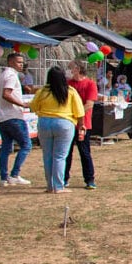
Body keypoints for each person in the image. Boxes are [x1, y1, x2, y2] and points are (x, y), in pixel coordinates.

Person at [29, 65, 85, 193]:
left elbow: (33, 106)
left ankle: (50, 186)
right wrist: (81, 125)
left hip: (44, 122)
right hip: (64, 123)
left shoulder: (43, 91)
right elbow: (79, 111)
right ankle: (59, 186)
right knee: (59, 156)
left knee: (47, 155)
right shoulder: (70, 91)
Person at [0, 52, 33, 187]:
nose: (21, 65)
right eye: (18, 62)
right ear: (11, 62)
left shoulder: (2, 75)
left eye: (22, 62)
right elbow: (6, 94)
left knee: (6, 147)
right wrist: (22, 104)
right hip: (13, 116)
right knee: (26, 145)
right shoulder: (11, 75)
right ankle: (14, 174)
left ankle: (3, 177)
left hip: (2, 117)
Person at [65, 60, 98, 190]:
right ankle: (64, 178)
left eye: (71, 68)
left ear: (77, 69)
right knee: (67, 152)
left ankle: (89, 179)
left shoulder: (90, 84)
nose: (69, 70)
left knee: (84, 152)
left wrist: (77, 114)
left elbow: (90, 104)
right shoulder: (68, 84)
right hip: (68, 123)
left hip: (83, 124)